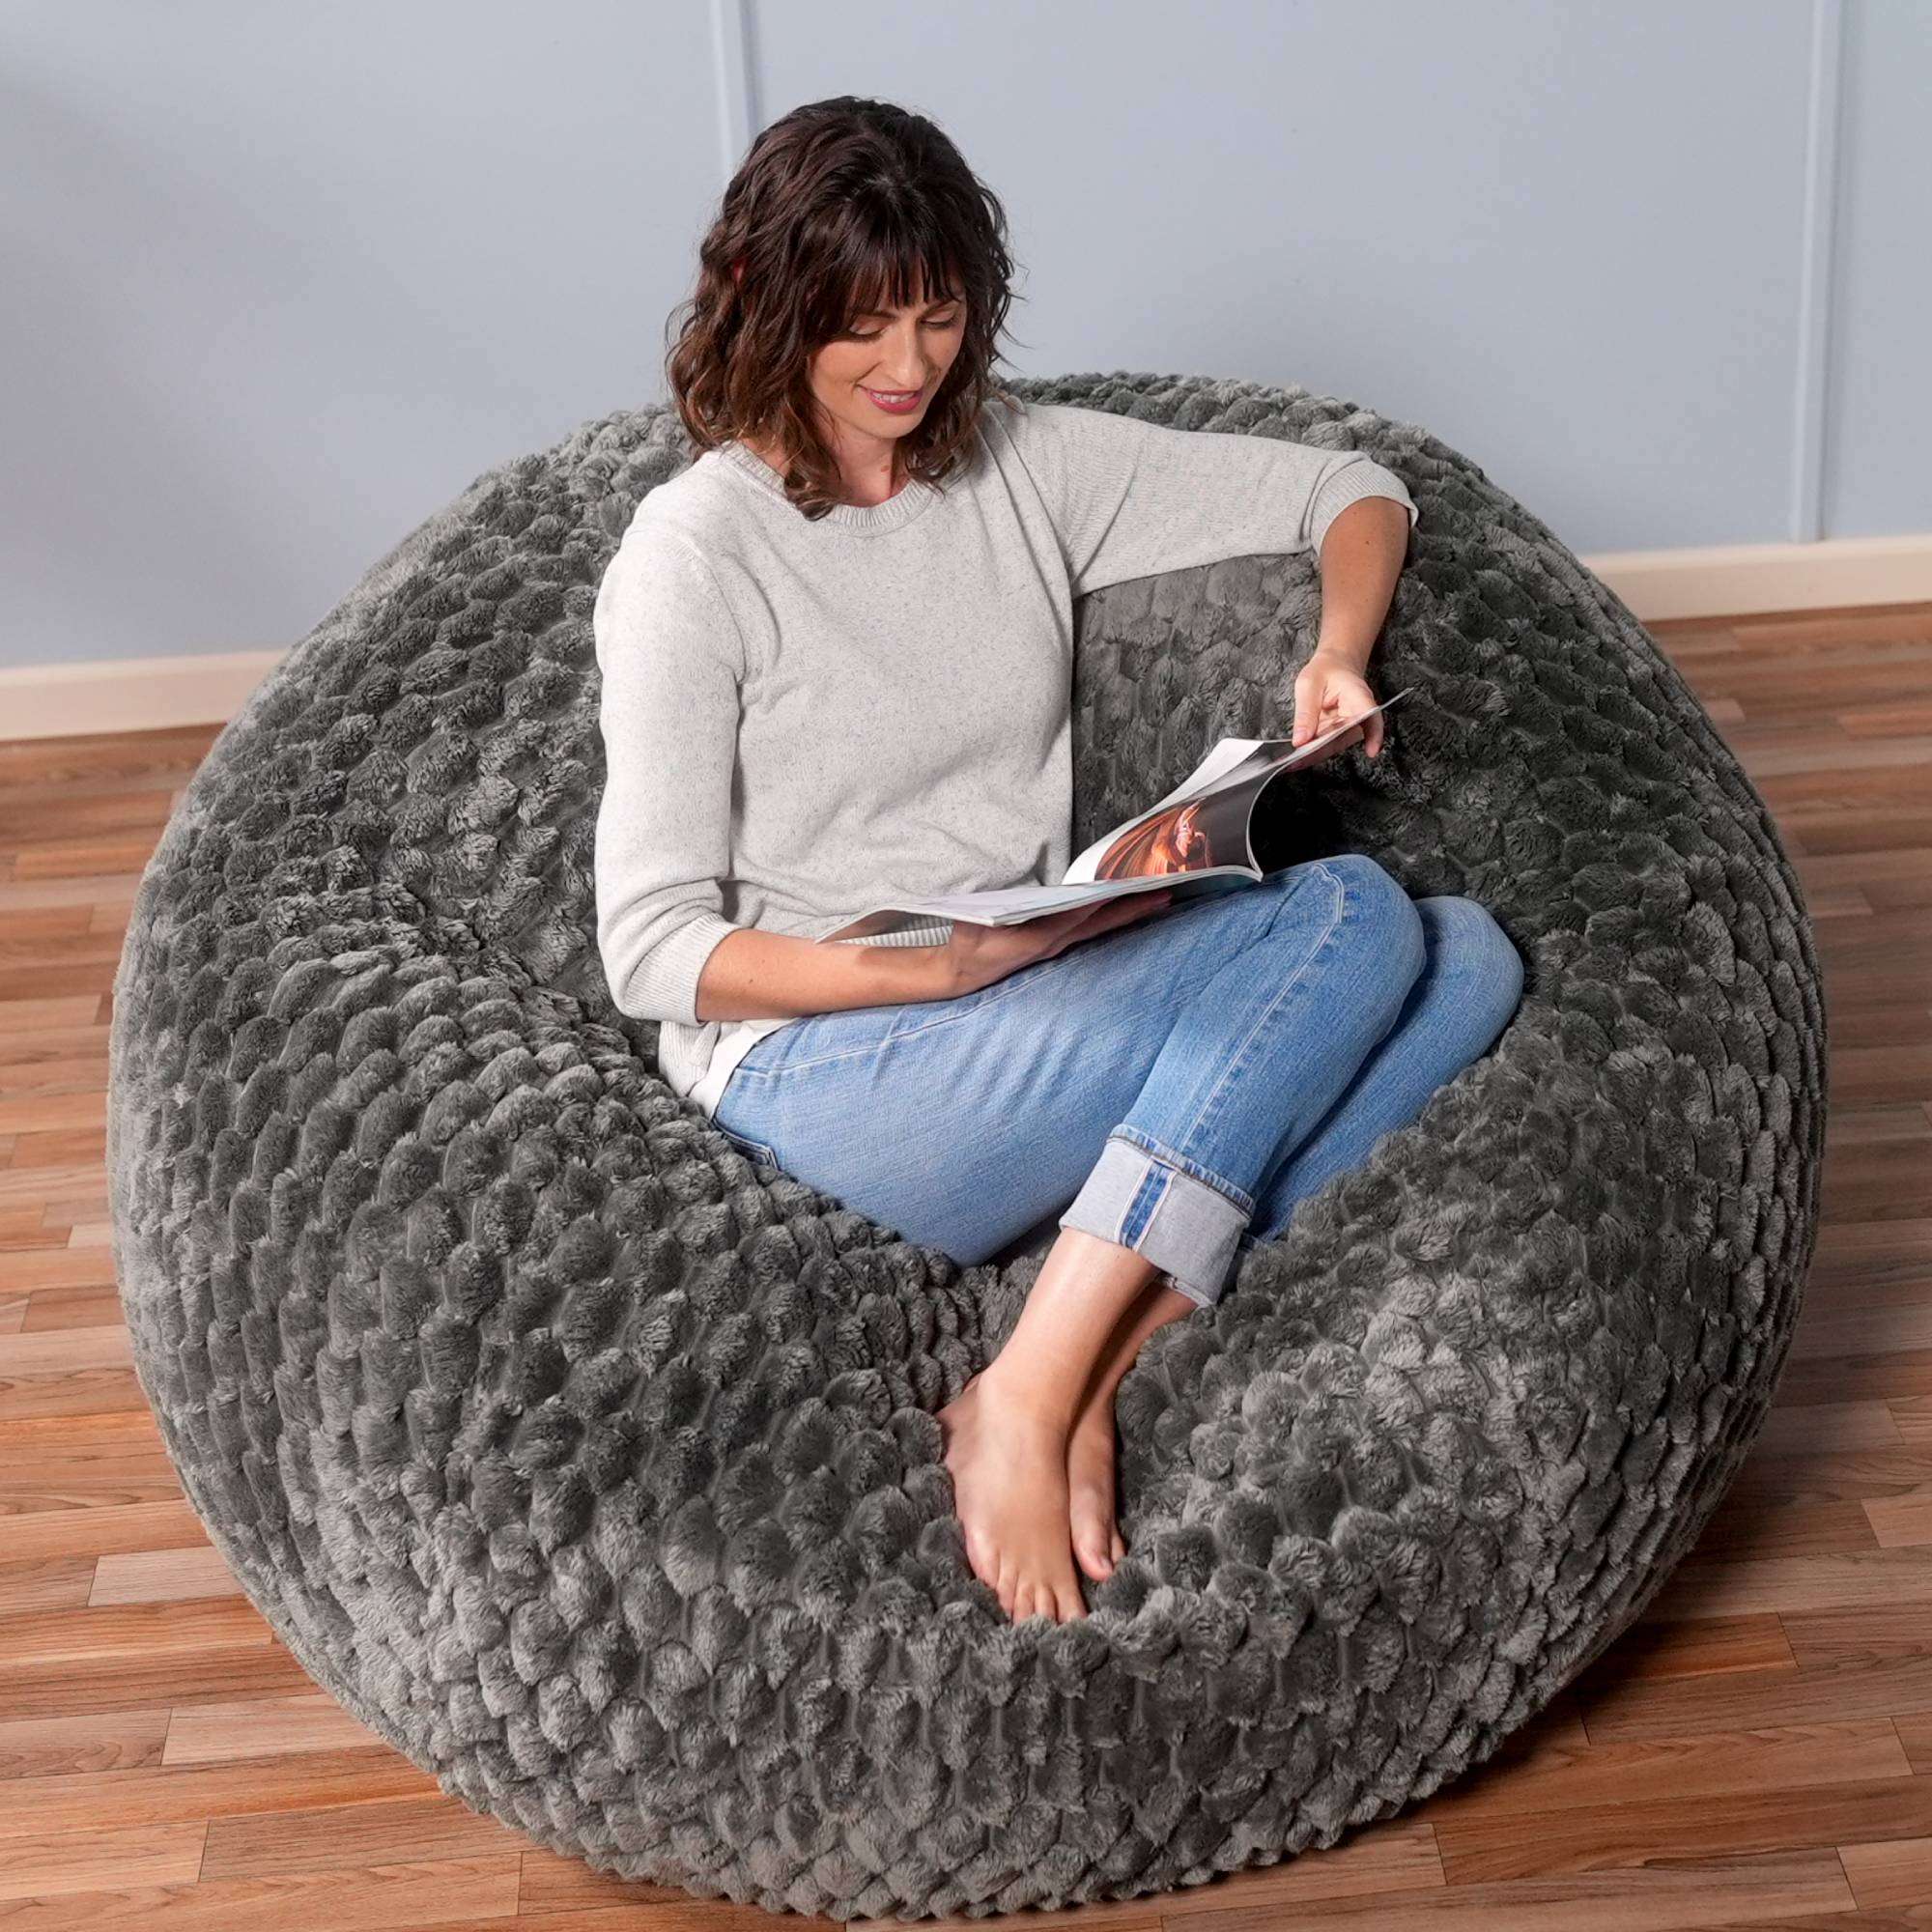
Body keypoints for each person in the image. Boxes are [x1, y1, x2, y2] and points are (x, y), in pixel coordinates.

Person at [593, 97, 1524, 1627]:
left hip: (1027, 993)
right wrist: (928, 967)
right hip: (818, 1069)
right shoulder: (693, 555)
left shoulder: (1019, 465)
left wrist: (1335, 659)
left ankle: (1092, 1347)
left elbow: (1349, 486)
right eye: (862, 330)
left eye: (940, 319)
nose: (908, 370)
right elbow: (651, 949)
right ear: (767, 305)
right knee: (1353, 910)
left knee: (1472, 953)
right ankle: (1029, 1394)